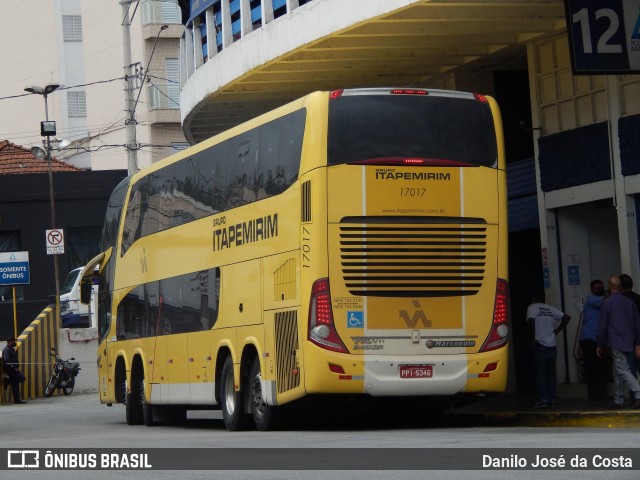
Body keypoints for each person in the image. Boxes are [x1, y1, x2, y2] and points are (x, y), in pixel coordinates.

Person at [597, 275, 640, 409]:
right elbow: (638, 324)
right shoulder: (630, 302)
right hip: (630, 341)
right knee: (617, 371)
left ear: (610, 287)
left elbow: (603, 326)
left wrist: (600, 344)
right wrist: (638, 342)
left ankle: (638, 393)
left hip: (616, 341)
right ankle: (619, 399)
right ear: (620, 287)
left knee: (622, 370)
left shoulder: (607, 303)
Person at [526, 293, 571, 409]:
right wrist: (557, 331)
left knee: (540, 374)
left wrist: (532, 339)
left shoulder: (532, 307)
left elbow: (531, 322)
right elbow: (567, 317)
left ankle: (543, 400)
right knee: (550, 375)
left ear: (533, 299)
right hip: (552, 346)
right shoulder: (551, 308)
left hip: (540, 345)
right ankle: (553, 399)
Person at [579, 279, 608, 401]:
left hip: (596, 339)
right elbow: (606, 300)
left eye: (601, 287)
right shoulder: (591, 299)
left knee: (600, 368)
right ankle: (595, 395)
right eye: (597, 288)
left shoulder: (599, 301)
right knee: (593, 369)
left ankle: (600, 394)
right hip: (589, 339)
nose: (600, 290)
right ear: (592, 290)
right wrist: (610, 291)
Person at [2, 336, 26, 404]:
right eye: (13, 341)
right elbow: (7, 360)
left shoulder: (11, 349)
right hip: (11, 370)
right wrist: (14, 368)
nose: (14, 342)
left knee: (15, 384)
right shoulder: (7, 350)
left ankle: (17, 400)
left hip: (14, 369)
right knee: (21, 378)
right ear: (10, 342)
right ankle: (7, 381)